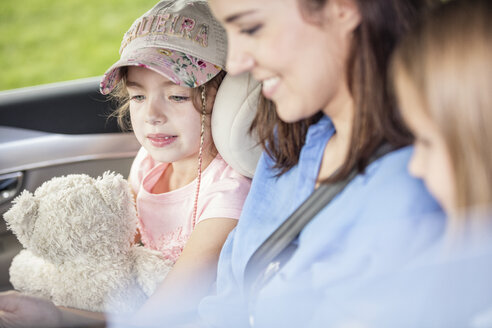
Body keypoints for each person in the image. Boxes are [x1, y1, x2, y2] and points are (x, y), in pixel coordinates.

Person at [0, 0, 254, 327]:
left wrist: (61, 319)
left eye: (177, 96)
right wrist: (53, 312)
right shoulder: (149, 162)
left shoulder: (226, 198)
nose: (152, 115)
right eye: (138, 96)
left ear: (229, 95)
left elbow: (164, 314)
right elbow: (121, 272)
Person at [196, 0, 445, 327]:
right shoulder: (285, 150)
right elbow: (227, 302)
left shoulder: (411, 188)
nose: (235, 62)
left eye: (251, 28)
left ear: (343, 9)